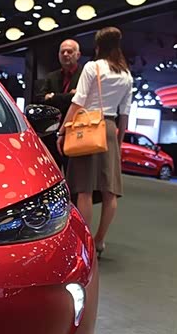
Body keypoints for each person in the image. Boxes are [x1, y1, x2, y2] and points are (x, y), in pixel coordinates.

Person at [56, 27, 132, 259]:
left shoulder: (93, 67)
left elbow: (78, 102)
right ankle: (99, 240)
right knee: (110, 191)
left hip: (88, 127)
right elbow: (125, 114)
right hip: (109, 128)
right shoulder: (126, 75)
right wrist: (118, 142)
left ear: (98, 47)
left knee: (84, 189)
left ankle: (83, 240)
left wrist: (62, 131)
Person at [37, 39, 83, 171]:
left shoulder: (84, 76)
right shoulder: (52, 76)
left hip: (75, 132)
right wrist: (69, 96)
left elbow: (81, 101)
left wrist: (53, 97)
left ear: (78, 55)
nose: (66, 54)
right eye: (62, 52)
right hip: (51, 133)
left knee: (73, 175)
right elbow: (40, 99)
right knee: (50, 173)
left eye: (69, 51)